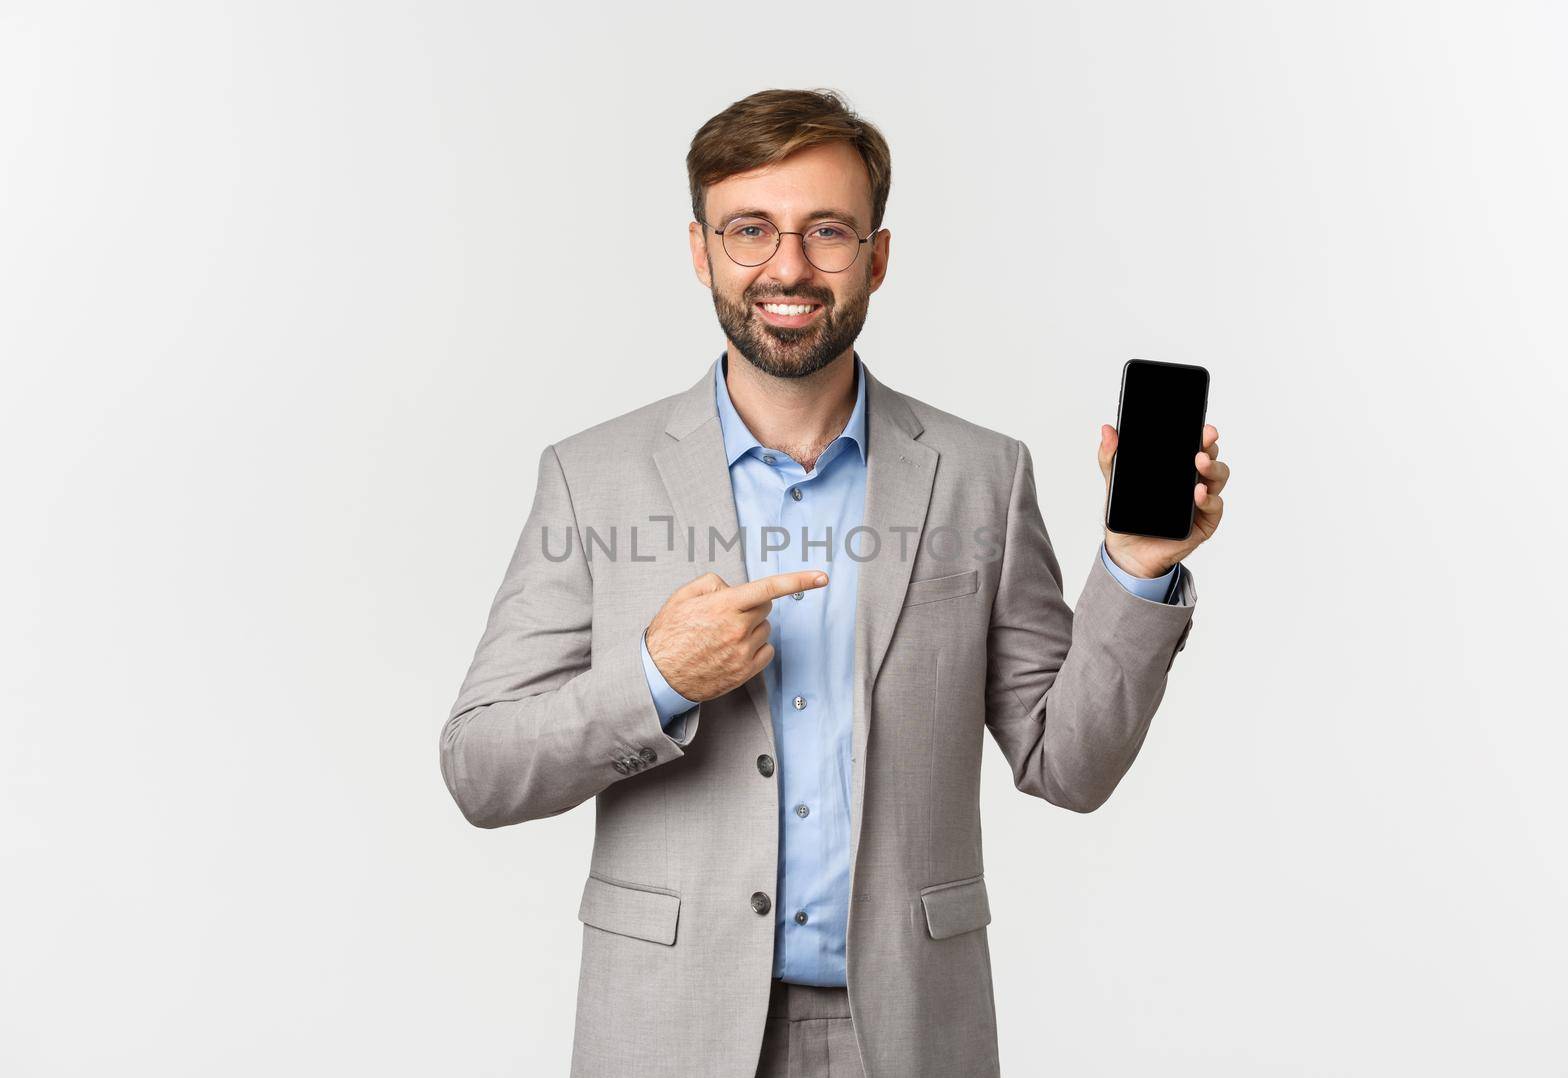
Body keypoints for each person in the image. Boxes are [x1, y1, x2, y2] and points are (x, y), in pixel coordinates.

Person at [439, 87, 1230, 1078]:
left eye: (827, 232)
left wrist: (1136, 568)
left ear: (877, 256)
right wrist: (657, 678)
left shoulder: (984, 475)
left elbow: (1066, 763)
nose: (788, 267)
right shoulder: (592, 476)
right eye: (749, 231)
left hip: (906, 1033)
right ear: (700, 252)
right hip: (667, 1033)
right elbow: (480, 767)